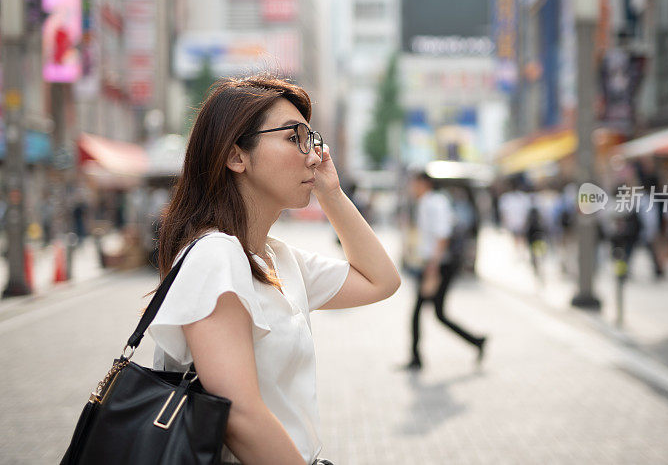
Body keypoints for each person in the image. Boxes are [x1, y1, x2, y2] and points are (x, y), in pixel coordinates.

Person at [148, 74, 401, 465]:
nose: (314, 155)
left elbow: (381, 280)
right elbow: (239, 414)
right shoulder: (215, 256)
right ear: (236, 156)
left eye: (311, 139)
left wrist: (330, 192)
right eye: (294, 137)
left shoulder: (278, 259)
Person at [404, 172, 487, 371]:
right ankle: (476, 341)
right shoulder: (429, 202)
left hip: (440, 264)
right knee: (437, 313)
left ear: (423, 183)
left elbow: (443, 235)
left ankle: (416, 357)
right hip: (436, 263)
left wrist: (433, 267)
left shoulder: (434, 203)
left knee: (425, 312)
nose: (411, 187)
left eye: (413, 182)